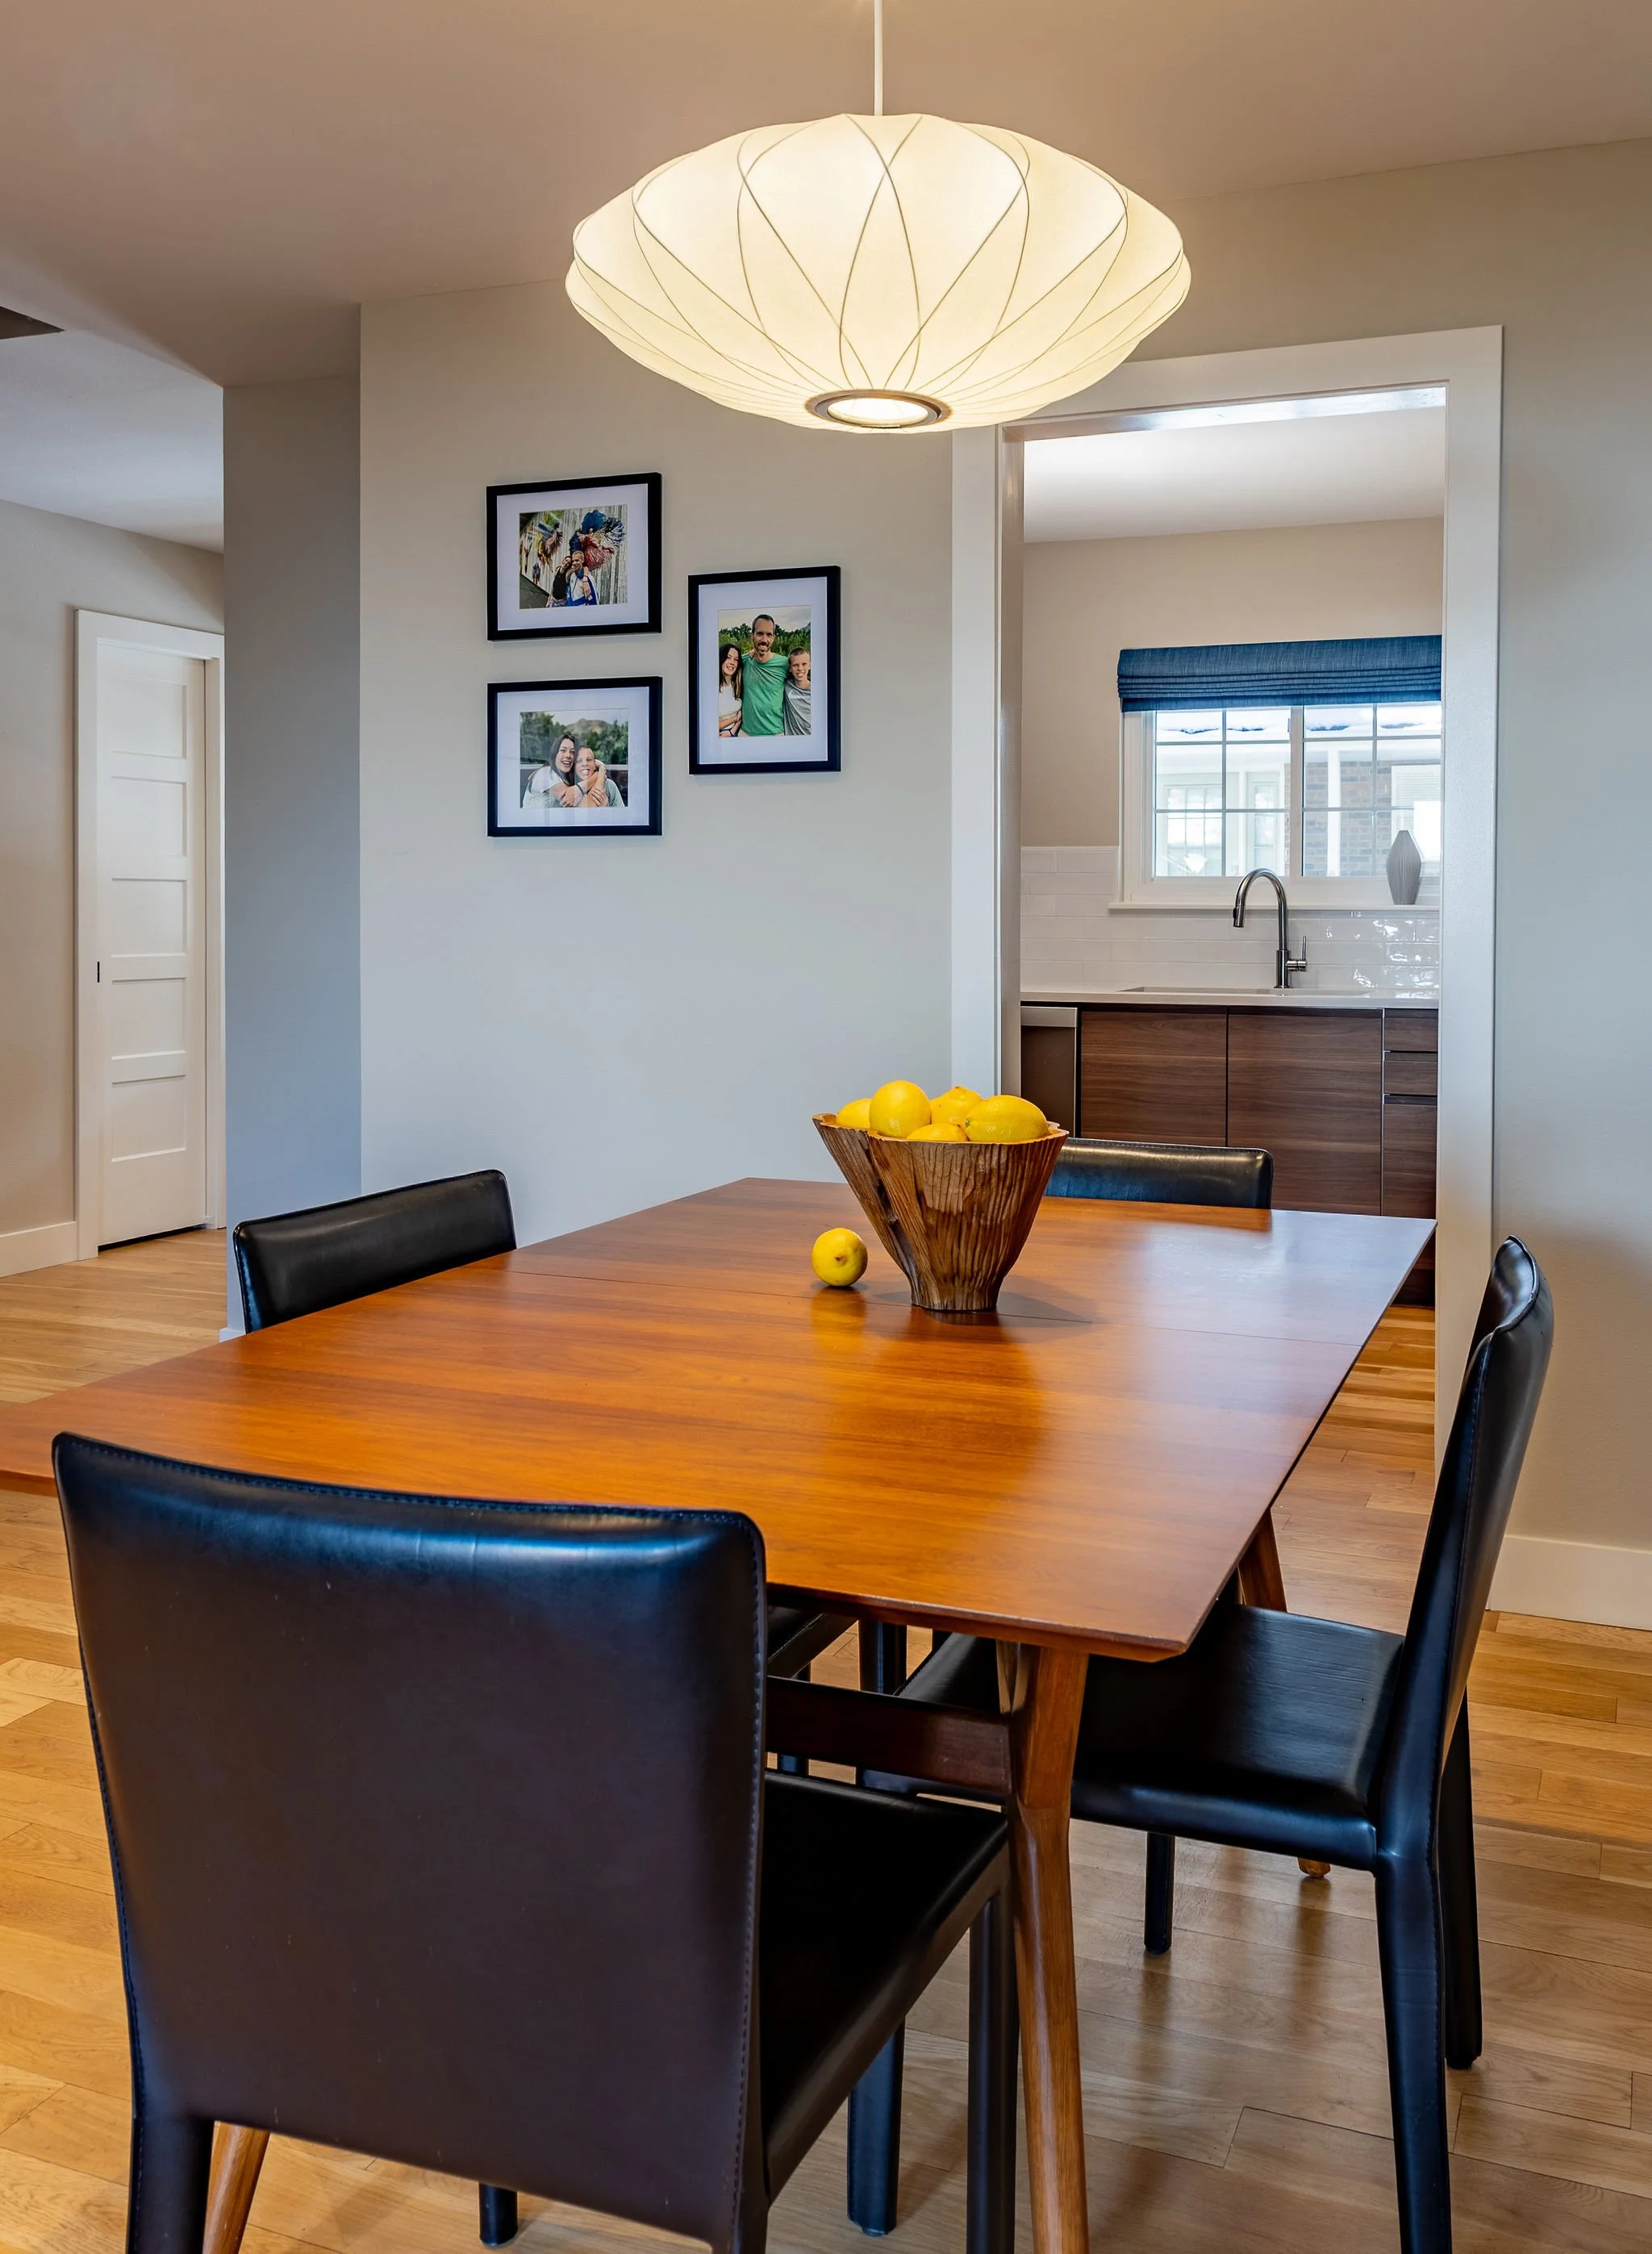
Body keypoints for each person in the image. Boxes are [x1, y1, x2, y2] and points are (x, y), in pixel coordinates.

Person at [736, 613, 788, 736]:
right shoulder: (742, 661)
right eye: (760, 634)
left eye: (769, 634)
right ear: (752, 636)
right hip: (746, 734)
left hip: (776, 734)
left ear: (773, 638)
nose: (764, 640)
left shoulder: (785, 664)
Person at [524, 735, 581, 808]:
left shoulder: (566, 776)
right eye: (563, 750)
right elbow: (571, 799)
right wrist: (596, 776)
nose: (568, 755)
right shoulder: (545, 773)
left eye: (572, 752)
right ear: (554, 754)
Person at [574, 743, 624, 807]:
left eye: (589, 760)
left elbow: (623, 812)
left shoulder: (609, 785)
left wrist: (607, 808)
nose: (585, 764)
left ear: (595, 764)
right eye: (579, 761)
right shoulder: (570, 787)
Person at [782, 645, 812, 736]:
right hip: (792, 740)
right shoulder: (786, 686)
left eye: (804, 664)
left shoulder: (817, 690)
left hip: (811, 739)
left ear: (810, 665)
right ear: (790, 668)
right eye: (795, 665)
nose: (800, 669)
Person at [717, 643, 745, 736]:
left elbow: (741, 713)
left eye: (736, 659)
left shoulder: (738, 685)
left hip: (735, 733)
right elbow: (710, 724)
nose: (732, 662)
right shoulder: (711, 688)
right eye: (728, 657)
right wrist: (735, 719)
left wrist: (732, 732)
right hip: (718, 735)